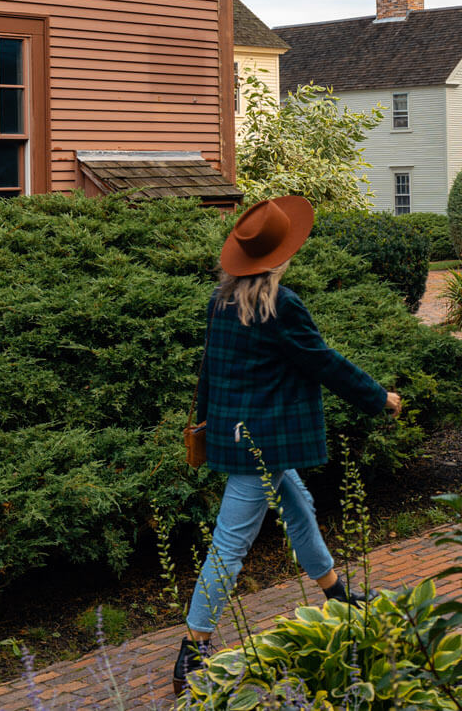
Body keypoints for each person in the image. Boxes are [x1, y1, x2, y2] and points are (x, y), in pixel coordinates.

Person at [173, 195, 402, 696]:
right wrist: (377, 398)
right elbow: (324, 362)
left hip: (236, 433)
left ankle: (335, 593)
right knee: (230, 544)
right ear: (282, 253)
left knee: (298, 504)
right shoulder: (281, 303)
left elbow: (210, 370)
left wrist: (211, 429)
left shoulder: (222, 299)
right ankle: (193, 645)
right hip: (265, 441)